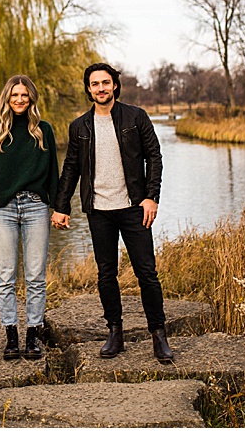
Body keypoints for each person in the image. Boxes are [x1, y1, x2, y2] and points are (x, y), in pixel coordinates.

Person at [51, 62, 174, 364]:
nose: (101, 88)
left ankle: (158, 335)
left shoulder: (136, 117)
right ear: (88, 89)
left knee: (146, 272)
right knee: (106, 274)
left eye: (106, 83)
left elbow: (154, 157)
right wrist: (61, 206)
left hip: (134, 208)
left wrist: (151, 197)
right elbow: (71, 168)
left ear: (115, 86)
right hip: (99, 210)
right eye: (95, 84)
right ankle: (114, 332)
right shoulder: (80, 126)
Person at [0, 74, 59, 361]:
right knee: (5, 276)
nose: (20, 99)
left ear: (31, 98)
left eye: (24, 95)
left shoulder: (43, 130)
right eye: (15, 95)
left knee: (36, 276)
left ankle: (33, 335)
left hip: (36, 207)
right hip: (3, 210)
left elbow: (53, 174)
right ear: (7, 99)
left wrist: (60, 207)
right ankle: (11, 336)